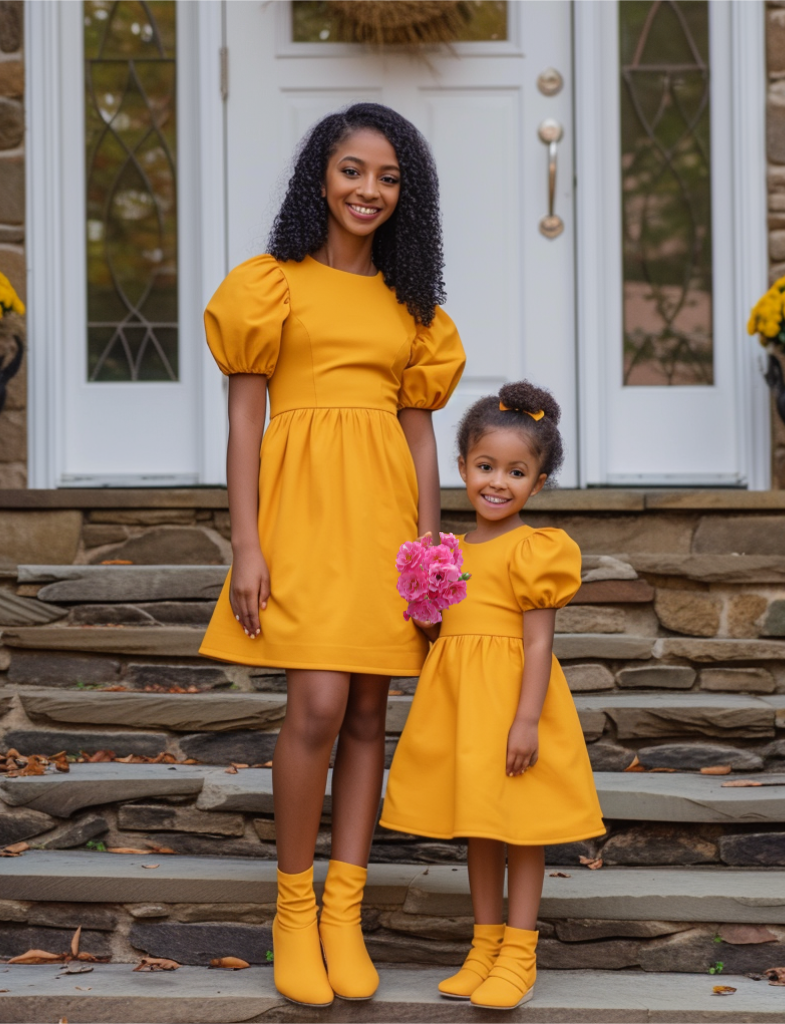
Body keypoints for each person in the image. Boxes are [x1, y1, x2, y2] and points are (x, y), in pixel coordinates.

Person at [198, 103, 465, 1007]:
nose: (369, 190)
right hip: (301, 515)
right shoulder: (268, 286)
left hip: (386, 520)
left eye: (389, 177)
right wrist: (246, 542)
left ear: (406, 194)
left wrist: (430, 552)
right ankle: (294, 905)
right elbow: (244, 423)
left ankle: (344, 913)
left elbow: (421, 438)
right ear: (322, 175)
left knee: (364, 715)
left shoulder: (409, 304)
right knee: (314, 703)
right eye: (354, 170)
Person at [380, 381, 605, 1011]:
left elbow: (537, 645)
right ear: (461, 468)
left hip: (512, 707)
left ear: (537, 482)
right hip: (462, 709)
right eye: (485, 467)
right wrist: (424, 610)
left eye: (516, 471)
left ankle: (519, 952)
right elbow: (439, 631)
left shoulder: (536, 551)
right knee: (479, 827)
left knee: (521, 830)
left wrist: (527, 720)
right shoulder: (446, 554)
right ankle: (482, 947)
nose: (497, 482)